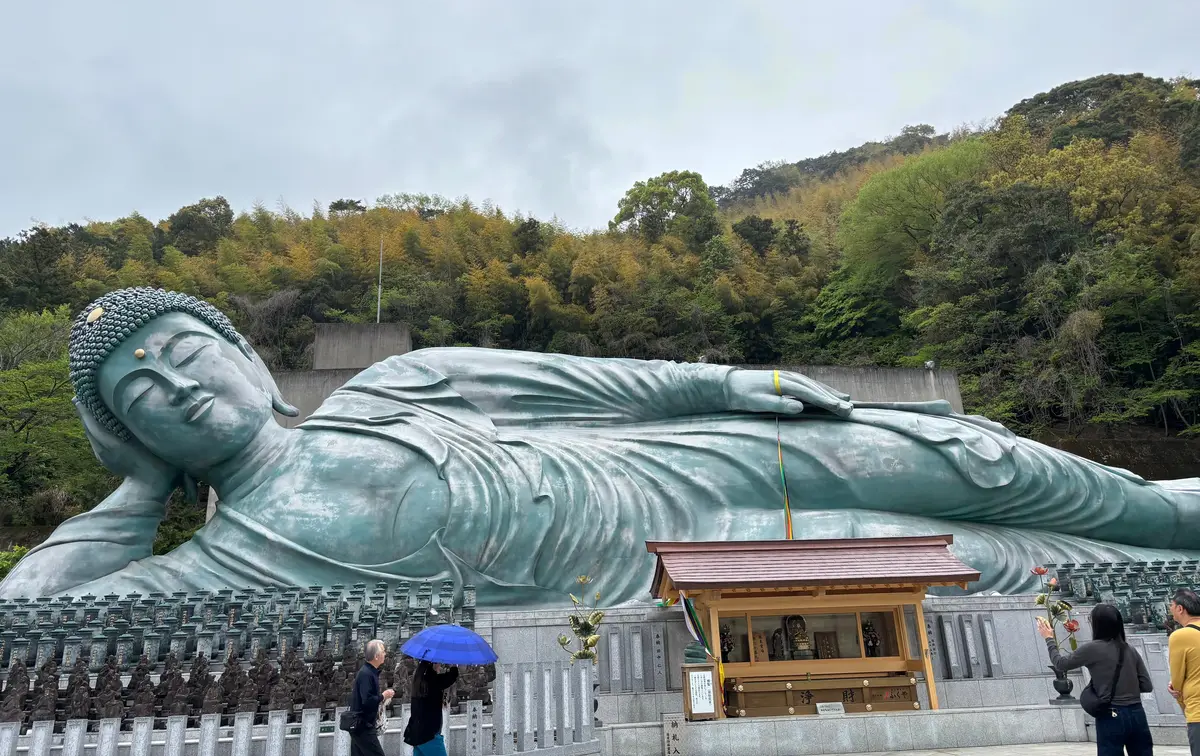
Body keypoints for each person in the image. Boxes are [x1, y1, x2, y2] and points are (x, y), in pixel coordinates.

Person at [5, 286, 1200, 605]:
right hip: (667, 562)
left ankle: (1181, 507)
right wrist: (135, 494)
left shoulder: (398, 384)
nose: (178, 387)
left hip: (681, 462)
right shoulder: (232, 560)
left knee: (983, 461)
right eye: (141, 394)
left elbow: (593, 382)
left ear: (249, 357)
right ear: (135, 434)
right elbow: (36, 616)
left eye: (185, 353)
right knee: (979, 563)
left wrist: (723, 381)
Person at [1037, 605, 1153, 756]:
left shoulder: (1092, 649)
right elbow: (1147, 685)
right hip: (1137, 714)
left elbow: (1060, 664)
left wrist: (1049, 639)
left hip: (1111, 715)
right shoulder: (1129, 649)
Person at [348, 639, 395, 756]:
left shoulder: (369, 672)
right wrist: (383, 696)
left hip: (361, 725)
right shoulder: (366, 674)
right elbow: (367, 700)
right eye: (383, 652)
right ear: (376, 656)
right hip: (363, 726)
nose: (385, 654)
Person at [403, 660, 459, 756]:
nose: (439, 666)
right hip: (429, 736)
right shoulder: (432, 680)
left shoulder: (418, 680)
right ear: (433, 665)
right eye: (438, 663)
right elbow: (451, 677)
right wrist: (454, 664)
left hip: (416, 734)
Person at [1168, 589, 1200, 754]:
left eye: (1172, 605)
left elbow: (1177, 682)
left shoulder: (1180, 636)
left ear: (1180, 609)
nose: (1170, 609)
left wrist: (1185, 708)